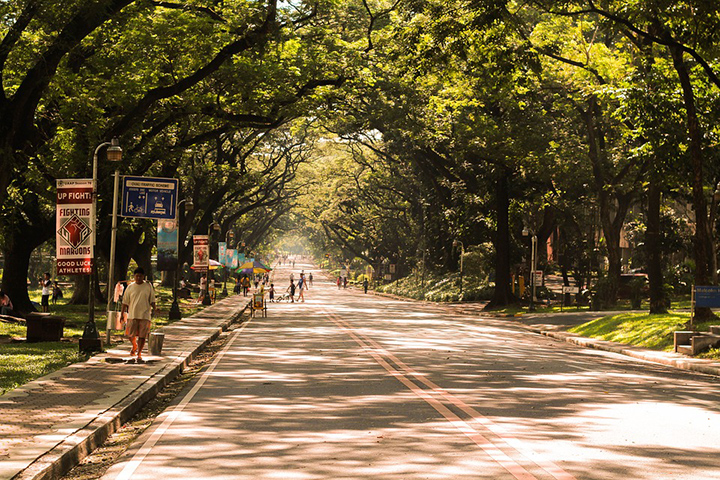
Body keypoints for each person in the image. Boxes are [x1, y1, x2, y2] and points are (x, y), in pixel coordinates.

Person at [121, 267, 156, 362]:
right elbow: (125, 302)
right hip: (132, 314)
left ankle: (139, 353)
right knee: (130, 335)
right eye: (137, 276)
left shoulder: (148, 286)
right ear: (134, 276)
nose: (138, 278)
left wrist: (155, 309)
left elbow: (152, 300)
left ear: (143, 276)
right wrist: (122, 314)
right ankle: (134, 346)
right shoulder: (130, 287)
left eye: (140, 276)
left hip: (145, 315)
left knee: (142, 336)